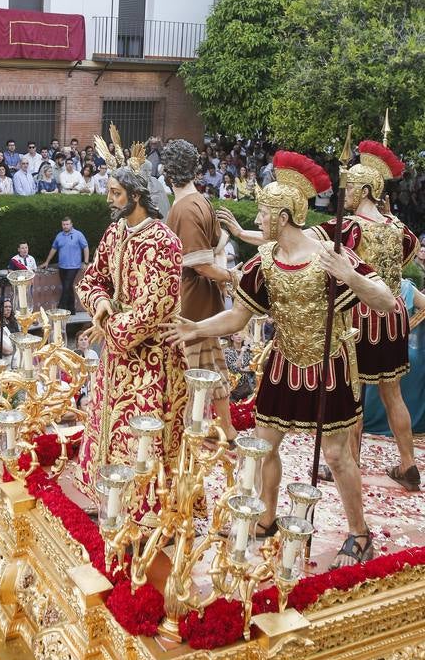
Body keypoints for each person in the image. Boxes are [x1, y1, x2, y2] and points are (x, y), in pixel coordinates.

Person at [164, 151, 396, 568]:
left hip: (330, 367)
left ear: (284, 216)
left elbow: (386, 302)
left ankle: (359, 535)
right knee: (263, 445)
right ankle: (268, 517)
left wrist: (352, 277)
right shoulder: (264, 262)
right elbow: (239, 315)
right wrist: (196, 328)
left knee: (338, 456)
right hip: (284, 363)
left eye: (264, 213)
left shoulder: (330, 256)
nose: (257, 220)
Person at [74, 149, 187, 514]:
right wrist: (102, 303)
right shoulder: (114, 232)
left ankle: (144, 505)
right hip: (116, 356)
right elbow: (93, 279)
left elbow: (155, 308)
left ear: (136, 196)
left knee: (141, 433)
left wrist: (108, 327)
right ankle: (106, 494)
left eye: (115, 193)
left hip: (150, 359)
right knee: (106, 423)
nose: (109, 199)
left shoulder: (164, 241)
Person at [315, 141, 420, 490]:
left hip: (362, 317)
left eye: (348, 190)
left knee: (352, 392)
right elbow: (407, 255)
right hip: (394, 315)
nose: (342, 196)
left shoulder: (353, 227)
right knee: (393, 394)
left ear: (363, 190)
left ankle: (350, 465)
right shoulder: (394, 225)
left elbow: (313, 244)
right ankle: (408, 465)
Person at [163, 139, 237, 442]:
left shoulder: (184, 208)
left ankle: (184, 431)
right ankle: (227, 428)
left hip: (189, 300)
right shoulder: (202, 201)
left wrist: (232, 277)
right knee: (211, 364)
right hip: (204, 298)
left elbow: (200, 265)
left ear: (169, 173)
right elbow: (219, 246)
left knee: (186, 371)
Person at [364, 276, 425, 434]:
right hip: (397, 353)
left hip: (364, 351)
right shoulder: (404, 286)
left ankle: (352, 457)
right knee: (394, 397)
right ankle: (407, 459)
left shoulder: (357, 281)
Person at [40, 218, 89, 314]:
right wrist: (47, 261)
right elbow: (54, 249)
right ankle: (72, 310)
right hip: (62, 266)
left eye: (67, 224)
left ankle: (60, 309)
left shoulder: (78, 235)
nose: (65, 226)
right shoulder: (59, 236)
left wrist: (86, 262)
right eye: (63, 224)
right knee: (68, 287)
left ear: (71, 224)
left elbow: (85, 247)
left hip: (74, 266)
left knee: (66, 286)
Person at [224, 333, 255, 401]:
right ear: (232, 338)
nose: (239, 336)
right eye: (236, 334)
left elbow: (252, 367)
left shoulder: (248, 351)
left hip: (245, 387)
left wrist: (242, 369)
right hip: (233, 387)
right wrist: (241, 353)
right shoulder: (227, 351)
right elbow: (234, 368)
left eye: (241, 334)